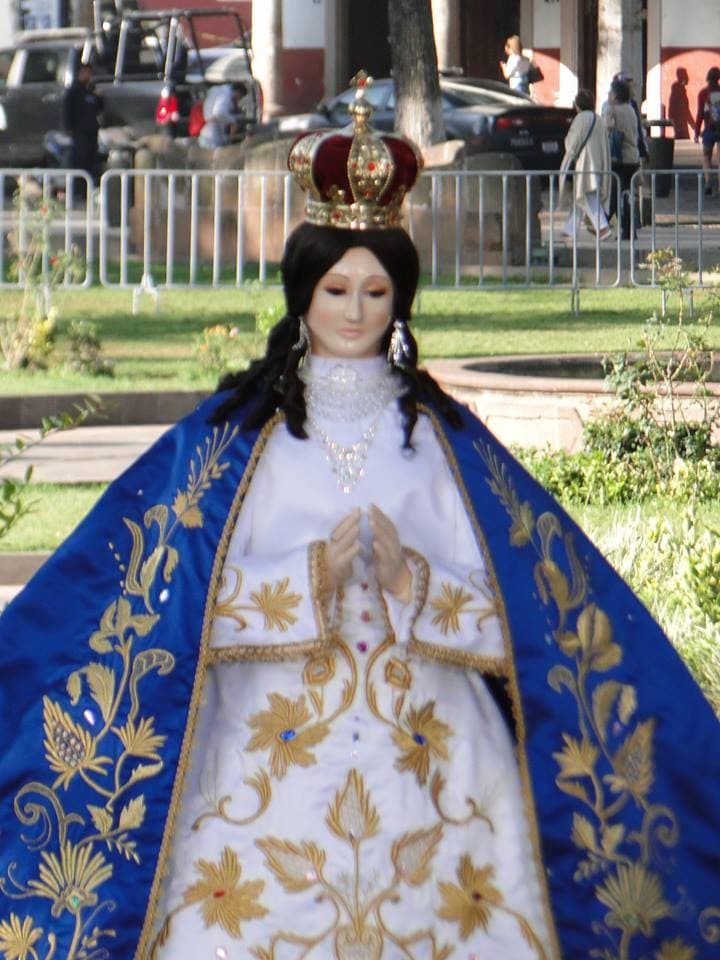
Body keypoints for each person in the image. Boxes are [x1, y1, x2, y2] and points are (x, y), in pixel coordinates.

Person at [1, 77, 720, 960]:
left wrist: (414, 584)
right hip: (262, 765)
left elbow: (524, 618)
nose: (353, 313)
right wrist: (309, 579)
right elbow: (164, 606)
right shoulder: (240, 442)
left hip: (435, 765)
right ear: (303, 293)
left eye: (375, 293)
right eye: (336, 290)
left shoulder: (442, 444)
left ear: (400, 302)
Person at [559, 87, 612, 240]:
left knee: (587, 196)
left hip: (584, 165)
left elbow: (572, 145)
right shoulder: (598, 119)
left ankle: (602, 228)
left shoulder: (581, 119)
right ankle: (570, 230)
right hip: (597, 163)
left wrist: (568, 150)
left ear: (577, 105)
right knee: (580, 196)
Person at [603, 77, 641, 239]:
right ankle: (628, 229)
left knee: (615, 194)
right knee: (626, 194)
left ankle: (602, 224)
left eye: (611, 93)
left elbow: (606, 128)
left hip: (618, 158)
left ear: (615, 96)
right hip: (633, 157)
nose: (609, 95)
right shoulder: (630, 109)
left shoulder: (611, 110)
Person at [61, 62, 103, 183]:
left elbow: (99, 108)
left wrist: (99, 97)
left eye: (89, 73)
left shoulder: (91, 91)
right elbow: (67, 110)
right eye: (85, 73)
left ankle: (90, 185)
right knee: (80, 160)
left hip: (92, 131)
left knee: (91, 159)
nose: (88, 76)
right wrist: (68, 128)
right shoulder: (73, 92)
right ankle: (78, 187)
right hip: (79, 132)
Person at [693, 65, 720, 195]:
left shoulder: (703, 93)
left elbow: (700, 114)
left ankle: (708, 181)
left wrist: (697, 132)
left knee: (706, 156)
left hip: (709, 128)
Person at [198, 82, 245, 148]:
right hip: (213, 137)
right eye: (239, 96)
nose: (238, 99)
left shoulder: (218, 90)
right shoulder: (226, 94)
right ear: (238, 91)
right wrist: (233, 121)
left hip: (208, 133)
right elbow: (219, 112)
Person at [668, 66, 693, 139]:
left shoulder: (677, 87)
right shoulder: (679, 88)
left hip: (678, 120)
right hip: (680, 121)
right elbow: (685, 108)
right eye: (685, 74)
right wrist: (694, 126)